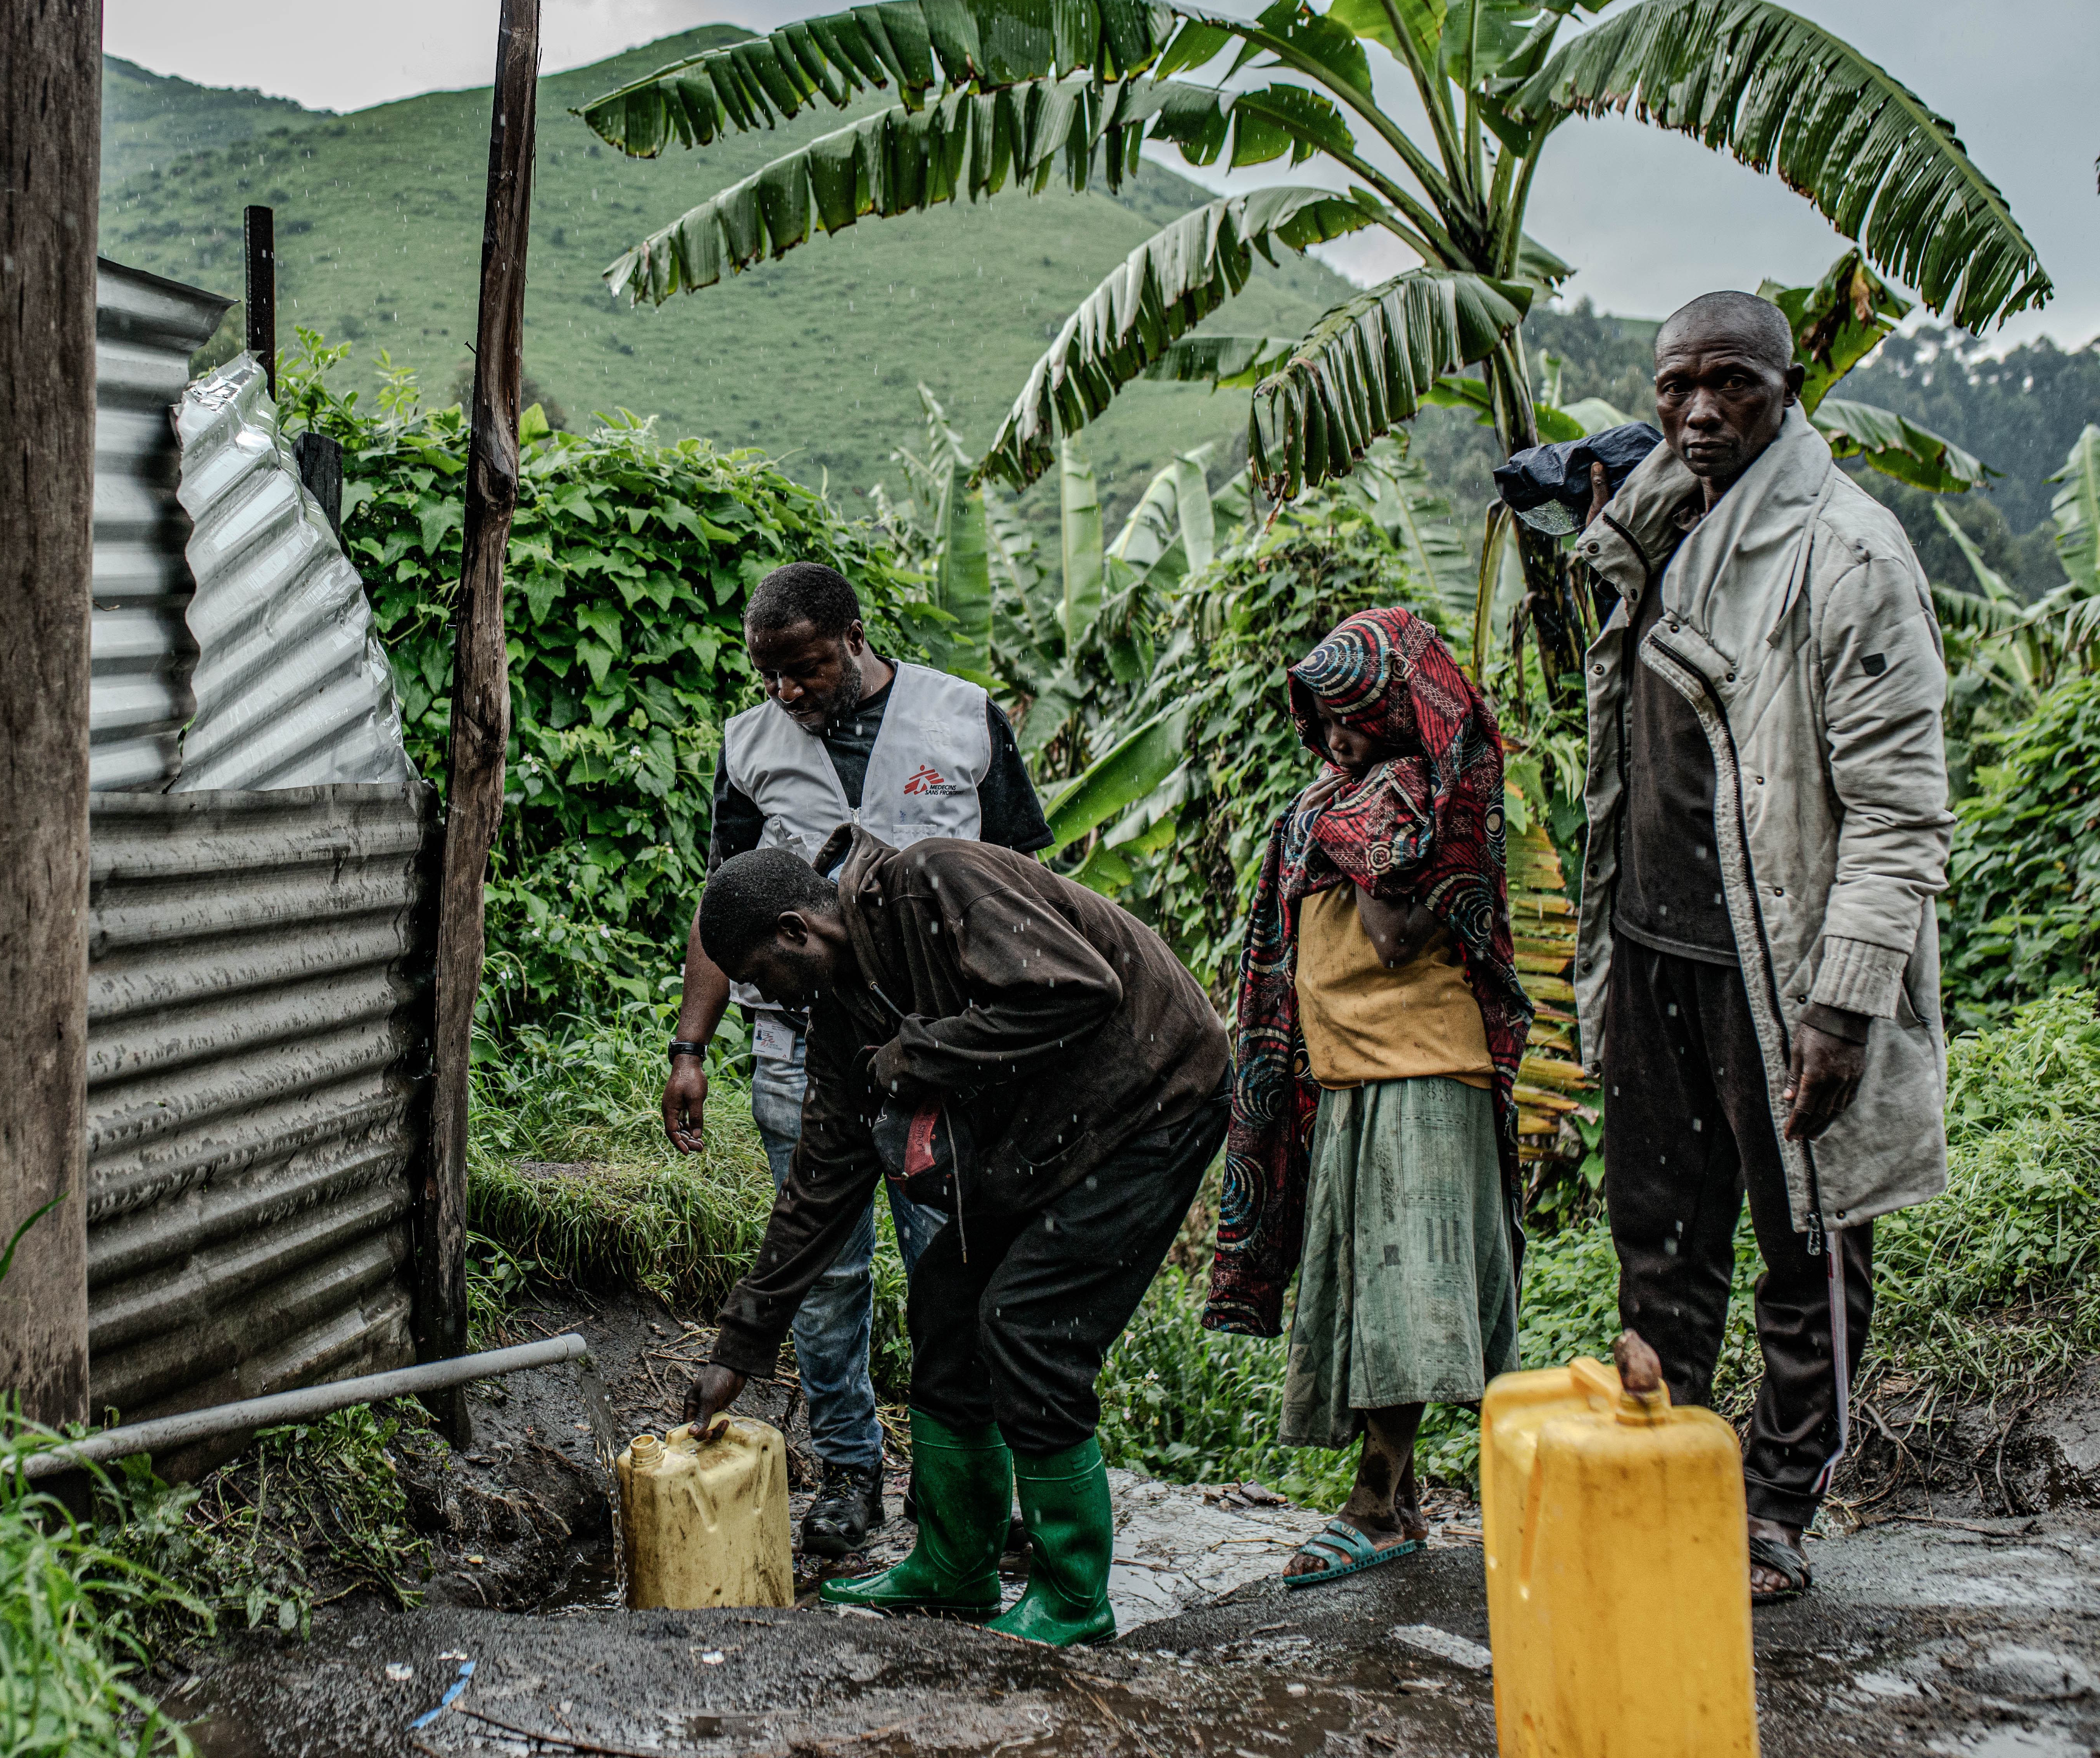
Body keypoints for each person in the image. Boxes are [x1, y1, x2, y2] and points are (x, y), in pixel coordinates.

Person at [1573, 290, 1952, 1602]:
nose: (1695, 411)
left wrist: (1843, 1007)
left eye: (1727, 383)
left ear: (1786, 389)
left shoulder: (1849, 554)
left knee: (1810, 1234)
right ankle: (1669, 1468)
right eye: (1676, 383)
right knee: (1659, 1236)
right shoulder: (1658, 526)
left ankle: (1782, 1505)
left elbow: (1902, 812)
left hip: (1779, 962)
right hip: (1653, 950)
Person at [680, 831, 1232, 1646]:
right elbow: (821, 1181)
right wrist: (740, 1344)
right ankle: (955, 1562)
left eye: (763, 974)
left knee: (1029, 1324)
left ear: (795, 929)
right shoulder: (842, 1012)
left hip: (1154, 1096)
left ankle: (1073, 1599)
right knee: (944, 1301)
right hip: (1044, 1135)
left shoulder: (935, 881)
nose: (772, 996)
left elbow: (1079, 988)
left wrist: (919, 1054)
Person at [659, 562, 1053, 1555]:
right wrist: (689, 1046)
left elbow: (1029, 880)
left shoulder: (960, 718)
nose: (785, 693)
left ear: (853, 636)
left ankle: (956, 1478)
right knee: (824, 1269)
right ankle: (844, 1473)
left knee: (949, 1261)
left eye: (802, 668)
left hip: (945, 1056)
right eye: (768, 675)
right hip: (796, 1045)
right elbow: (724, 905)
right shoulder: (748, 744)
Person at [1204, 608, 1531, 1585]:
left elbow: (1390, 933)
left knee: (1403, 1294)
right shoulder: (1369, 792)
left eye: (1353, 713)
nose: (1334, 734)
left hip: (1418, 1067)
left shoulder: (1410, 794)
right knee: (1375, 1290)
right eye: (1320, 714)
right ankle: (1401, 1497)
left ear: (1396, 706)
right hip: (1358, 1066)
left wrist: (1370, 832)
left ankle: (1376, 1505)